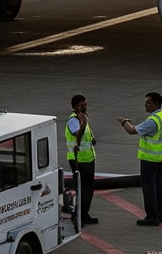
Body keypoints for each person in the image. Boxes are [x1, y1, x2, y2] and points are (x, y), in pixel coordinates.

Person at [120, 91, 162, 226]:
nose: (145, 106)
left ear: (156, 104)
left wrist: (123, 122)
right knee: (159, 184)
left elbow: (131, 130)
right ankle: (161, 214)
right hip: (160, 157)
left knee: (149, 187)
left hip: (149, 158)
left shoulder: (152, 121)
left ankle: (152, 216)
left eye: (148, 103)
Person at [65, 94, 98, 225]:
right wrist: (83, 123)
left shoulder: (83, 118)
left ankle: (84, 214)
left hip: (88, 158)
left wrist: (92, 138)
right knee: (82, 189)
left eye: (85, 104)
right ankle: (78, 216)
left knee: (88, 188)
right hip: (78, 159)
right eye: (81, 105)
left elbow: (85, 135)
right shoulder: (73, 120)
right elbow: (76, 134)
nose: (85, 106)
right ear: (74, 107)